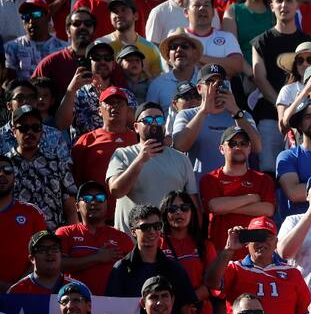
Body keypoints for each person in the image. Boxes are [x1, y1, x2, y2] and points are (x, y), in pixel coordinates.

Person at [251, 0, 311, 171]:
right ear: (271, 6)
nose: (284, 5)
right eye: (279, 1)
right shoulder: (261, 42)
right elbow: (260, 78)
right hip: (270, 117)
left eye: (289, 0)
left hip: (308, 119)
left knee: (305, 170)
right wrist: (285, 107)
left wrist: (298, 111)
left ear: (297, 5)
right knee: (270, 170)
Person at [106, 102, 197, 233]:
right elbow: (116, 191)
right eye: (147, 120)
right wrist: (140, 160)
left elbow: (193, 204)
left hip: (168, 243)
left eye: (159, 119)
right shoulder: (122, 154)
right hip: (131, 243)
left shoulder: (181, 159)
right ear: (136, 127)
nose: (154, 123)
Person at [105, 205, 197, 314]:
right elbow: (112, 312)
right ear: (133, 231)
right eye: (145, 227)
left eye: (157, 226)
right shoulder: (122, 269)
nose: (152, 231)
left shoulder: (174, 268)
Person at [173, 63, 260, 182]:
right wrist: (203, 111)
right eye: (209, 82)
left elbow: (257, 148)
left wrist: (235, 111)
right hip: (202, 188)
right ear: (199, 88)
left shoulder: (242, 115)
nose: (215, 87)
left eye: (220, 83)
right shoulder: (186, 115)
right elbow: (179, 146)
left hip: (239, 189)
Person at [199, 126, 275, 254]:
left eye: (243, 143)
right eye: (232, 144)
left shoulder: (263, 179)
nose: (238, 148)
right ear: (222, 149)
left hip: (255, 255)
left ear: (249, 148)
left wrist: (227, 208)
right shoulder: (210, 179)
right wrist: (251, 198)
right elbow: (215, 207)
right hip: (220, 252)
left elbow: (268, 210)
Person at [6, 105, 77, 230]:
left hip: (52, 241)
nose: (30, 132)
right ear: (13, 132)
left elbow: (70, 206)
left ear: (42, 131)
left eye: (35, 128)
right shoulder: (4, 166)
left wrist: (73, 237)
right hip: (16, 236)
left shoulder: (57, 163)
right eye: (23, 128)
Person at [55, 40, 137, 138]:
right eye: (96, 57)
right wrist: (70, 90)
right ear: (88, 63)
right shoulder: (77, 93)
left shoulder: (126, 94)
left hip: (121, 150)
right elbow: (60, 124)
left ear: (114, 64)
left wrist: (105, 92)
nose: (102, 61)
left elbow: (135, 123)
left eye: (107, 58)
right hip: (86, 150)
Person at [70, 86, 138, 198]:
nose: (115, 106)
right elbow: (74, 180)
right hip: (97, 210)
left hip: (131, 210)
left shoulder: (138, 139)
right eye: (109, 103)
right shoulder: (86, 141)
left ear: (127, 109)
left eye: (120, 103)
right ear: (99, 111)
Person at [0, 153, 47, 292]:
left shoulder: (32, 212)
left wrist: (16, 287)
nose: (2, 174)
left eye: (7, 170)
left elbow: (42, 254)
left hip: (24, 294)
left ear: (14, 177)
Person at [221, 0, 273, 78]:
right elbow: (230, 50)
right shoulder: (233, 11)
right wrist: (253, 76)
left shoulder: (274, 12)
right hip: (244, 79)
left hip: (273, 76)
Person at [31, 8, 96, 97]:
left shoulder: (105, 62)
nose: (82, 27)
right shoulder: (51, 63)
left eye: (88, 24)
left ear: (94, 30)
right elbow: (31, 95)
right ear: (68, 31)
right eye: (76, 24)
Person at [100, 0, 162, 81]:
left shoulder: (151, 49)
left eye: (124, 10)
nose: (119, 15)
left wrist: (147, 72)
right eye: (115, 11)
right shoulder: (101, 45)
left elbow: (158, 84)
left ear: (136, 16)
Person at [4, 0, 67, 81]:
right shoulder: (11, 48)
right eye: (26, 17)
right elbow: (8, 83)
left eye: (36, 14)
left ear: (48, 17)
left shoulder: (65, 49)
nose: (31, 21)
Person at [146, 28, 202, 114]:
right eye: (173, 47)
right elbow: (150, 117)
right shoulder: (157, 85)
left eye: (184, 46)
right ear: (168, 56)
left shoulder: (206, 81)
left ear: (194, 53)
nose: (179, 49)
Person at [8, 230, 75, 294]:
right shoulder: (16, 291)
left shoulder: (78, 288)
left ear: (61, 254)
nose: (49, 253)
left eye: (54, 248)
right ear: (32, 259)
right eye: (42, 249)